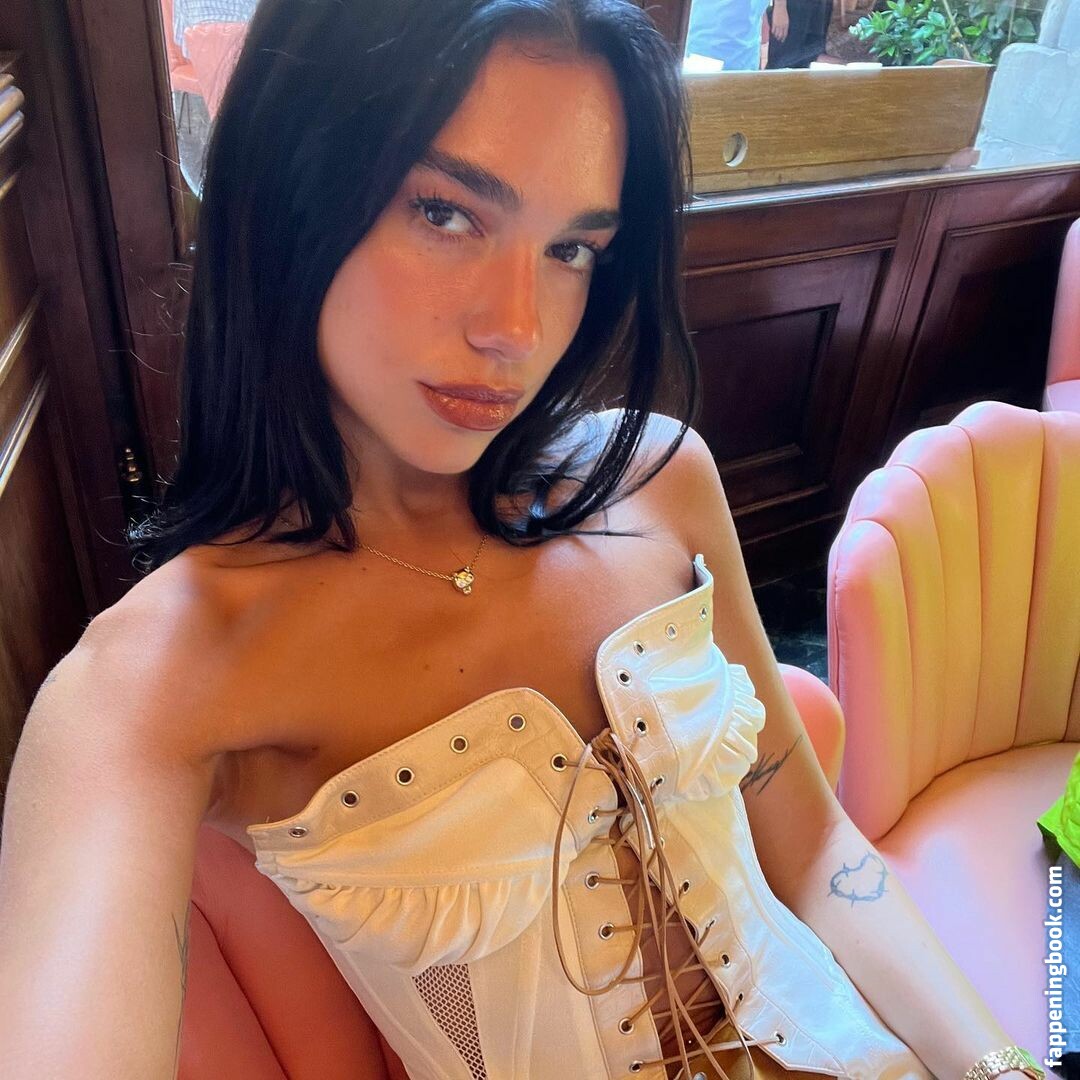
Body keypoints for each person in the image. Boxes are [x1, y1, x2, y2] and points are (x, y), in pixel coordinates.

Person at [0, 1, 1044, 1078]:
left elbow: (816, 849)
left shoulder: (661, 479)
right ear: (286, 190)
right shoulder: (161, 681)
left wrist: (1002, 1068)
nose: (516, 328)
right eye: (445, 212)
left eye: (572, 248)